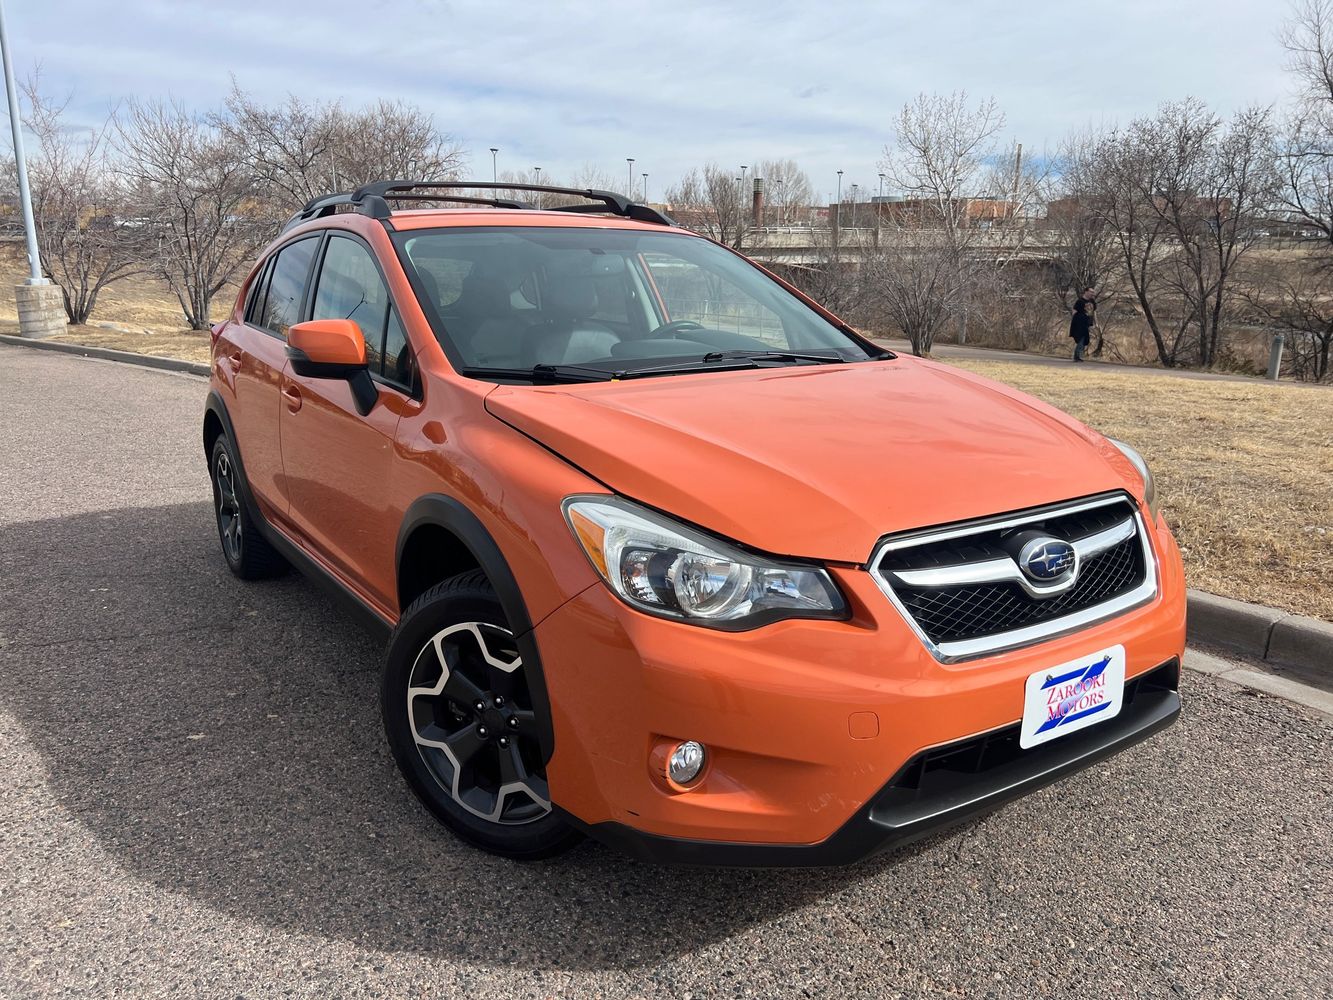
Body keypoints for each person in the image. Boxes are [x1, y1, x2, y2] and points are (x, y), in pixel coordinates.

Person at [1069, 287, 1095, 362]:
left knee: (1085, 340)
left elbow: (1093, 312)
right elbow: (1074, 311)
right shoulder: (1080, 301)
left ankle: (1077, 356)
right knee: (1081, 338)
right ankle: (1077, 356)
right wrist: (1074, 322)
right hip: (1079, 323)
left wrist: (1094, 323)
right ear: (1086, 292)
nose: (1092, 293)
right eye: (1091, 292)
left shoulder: (1092, 301)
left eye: (1093, 292)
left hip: (1087, 323)